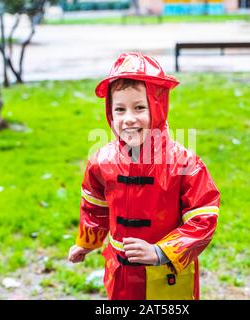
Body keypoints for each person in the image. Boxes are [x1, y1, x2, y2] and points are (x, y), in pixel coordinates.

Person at [68, 52, 220, 300]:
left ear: (158, 107)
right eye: (119, 109)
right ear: (110, 113)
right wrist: (87, 243)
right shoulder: (101, 162)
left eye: (139, 107)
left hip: (167, 273)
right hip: (120, 269)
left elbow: (203, 218)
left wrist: (162, 251)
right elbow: (95, 206)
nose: (128, 119)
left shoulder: (184, 165)